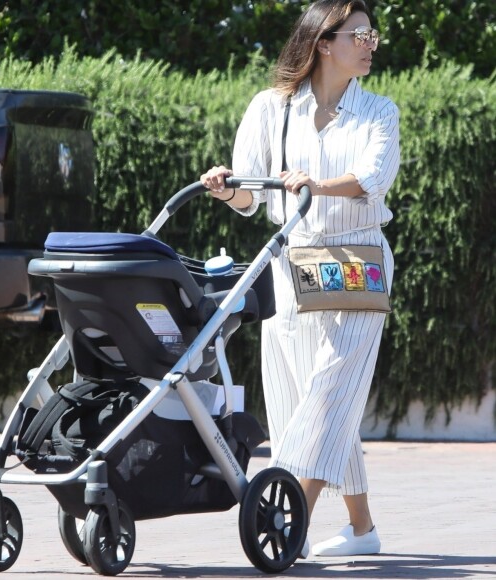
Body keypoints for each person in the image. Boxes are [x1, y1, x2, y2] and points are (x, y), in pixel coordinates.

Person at [200, 0, 400, 559]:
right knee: (303, 400)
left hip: (358, 258)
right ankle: (363, 531)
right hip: (292, 264)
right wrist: (226, 188)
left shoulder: (379, 112)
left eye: (371, 35)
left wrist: (316, 185)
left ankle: (289, 523)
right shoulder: (271, 108)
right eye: (359, 34)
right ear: (323, 42)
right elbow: (252, 196)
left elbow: (372, 178)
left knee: (332, 390)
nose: (369, 44)